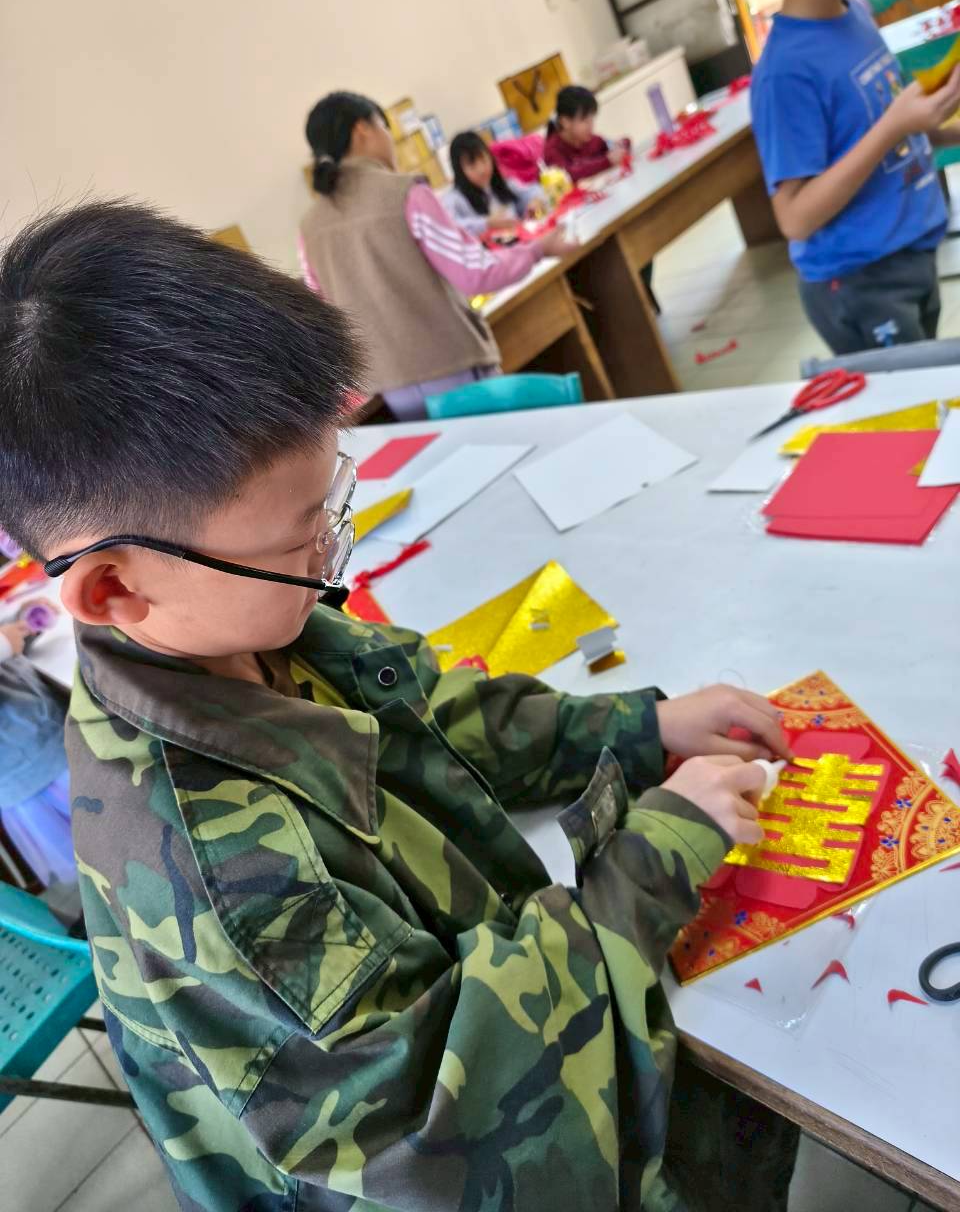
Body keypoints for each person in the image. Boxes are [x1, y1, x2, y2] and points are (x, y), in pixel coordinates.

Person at [0, 200, 797, 1212]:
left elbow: (430, 711)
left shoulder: (246, 629)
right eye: (299, 538)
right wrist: (649, 862)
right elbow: (456, 1110)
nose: (329, 555)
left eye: (328, 504)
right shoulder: (226, 880)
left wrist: (639, 728)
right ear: (114, 588)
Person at [301, 92, 573, 421]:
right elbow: (475, 273)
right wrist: (537, 249)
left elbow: (323, 317)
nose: (389, 139)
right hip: (452, 365)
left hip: (391, 389)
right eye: (384, 127)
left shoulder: (309, 227)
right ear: (362, 130)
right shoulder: (404, 193)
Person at [755, 0, 960, 355]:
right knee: (909, 393)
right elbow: (794, 218)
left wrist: (931, 125)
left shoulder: (856, 17)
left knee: (928, 381)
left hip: (911, 254)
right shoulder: (785, 71)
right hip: (862, 281)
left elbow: (900, 132)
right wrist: (893, 126)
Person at [0, 608, 75, 886]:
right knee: (115, 842)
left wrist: (20, 627)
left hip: (46, 736)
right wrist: (4, 643)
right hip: (38, 771)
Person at [444, 131, 545, 237]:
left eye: (483, 160)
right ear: (460, 171)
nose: (481, 170)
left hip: (520, 240)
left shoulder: (502, 183)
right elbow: (449, 227)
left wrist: (534, 201)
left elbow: (533, 191)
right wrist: (487, 223)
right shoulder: (454, 199)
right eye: (471, 165)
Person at [542, 84, 628, 182]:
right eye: (584, 120)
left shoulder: (591, 140)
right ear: (565, 122)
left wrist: (621, 146)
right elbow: (567, 175)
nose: (591, 125)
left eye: (591, 119)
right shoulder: (552, 149)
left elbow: (613, 146)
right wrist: (606, 161)